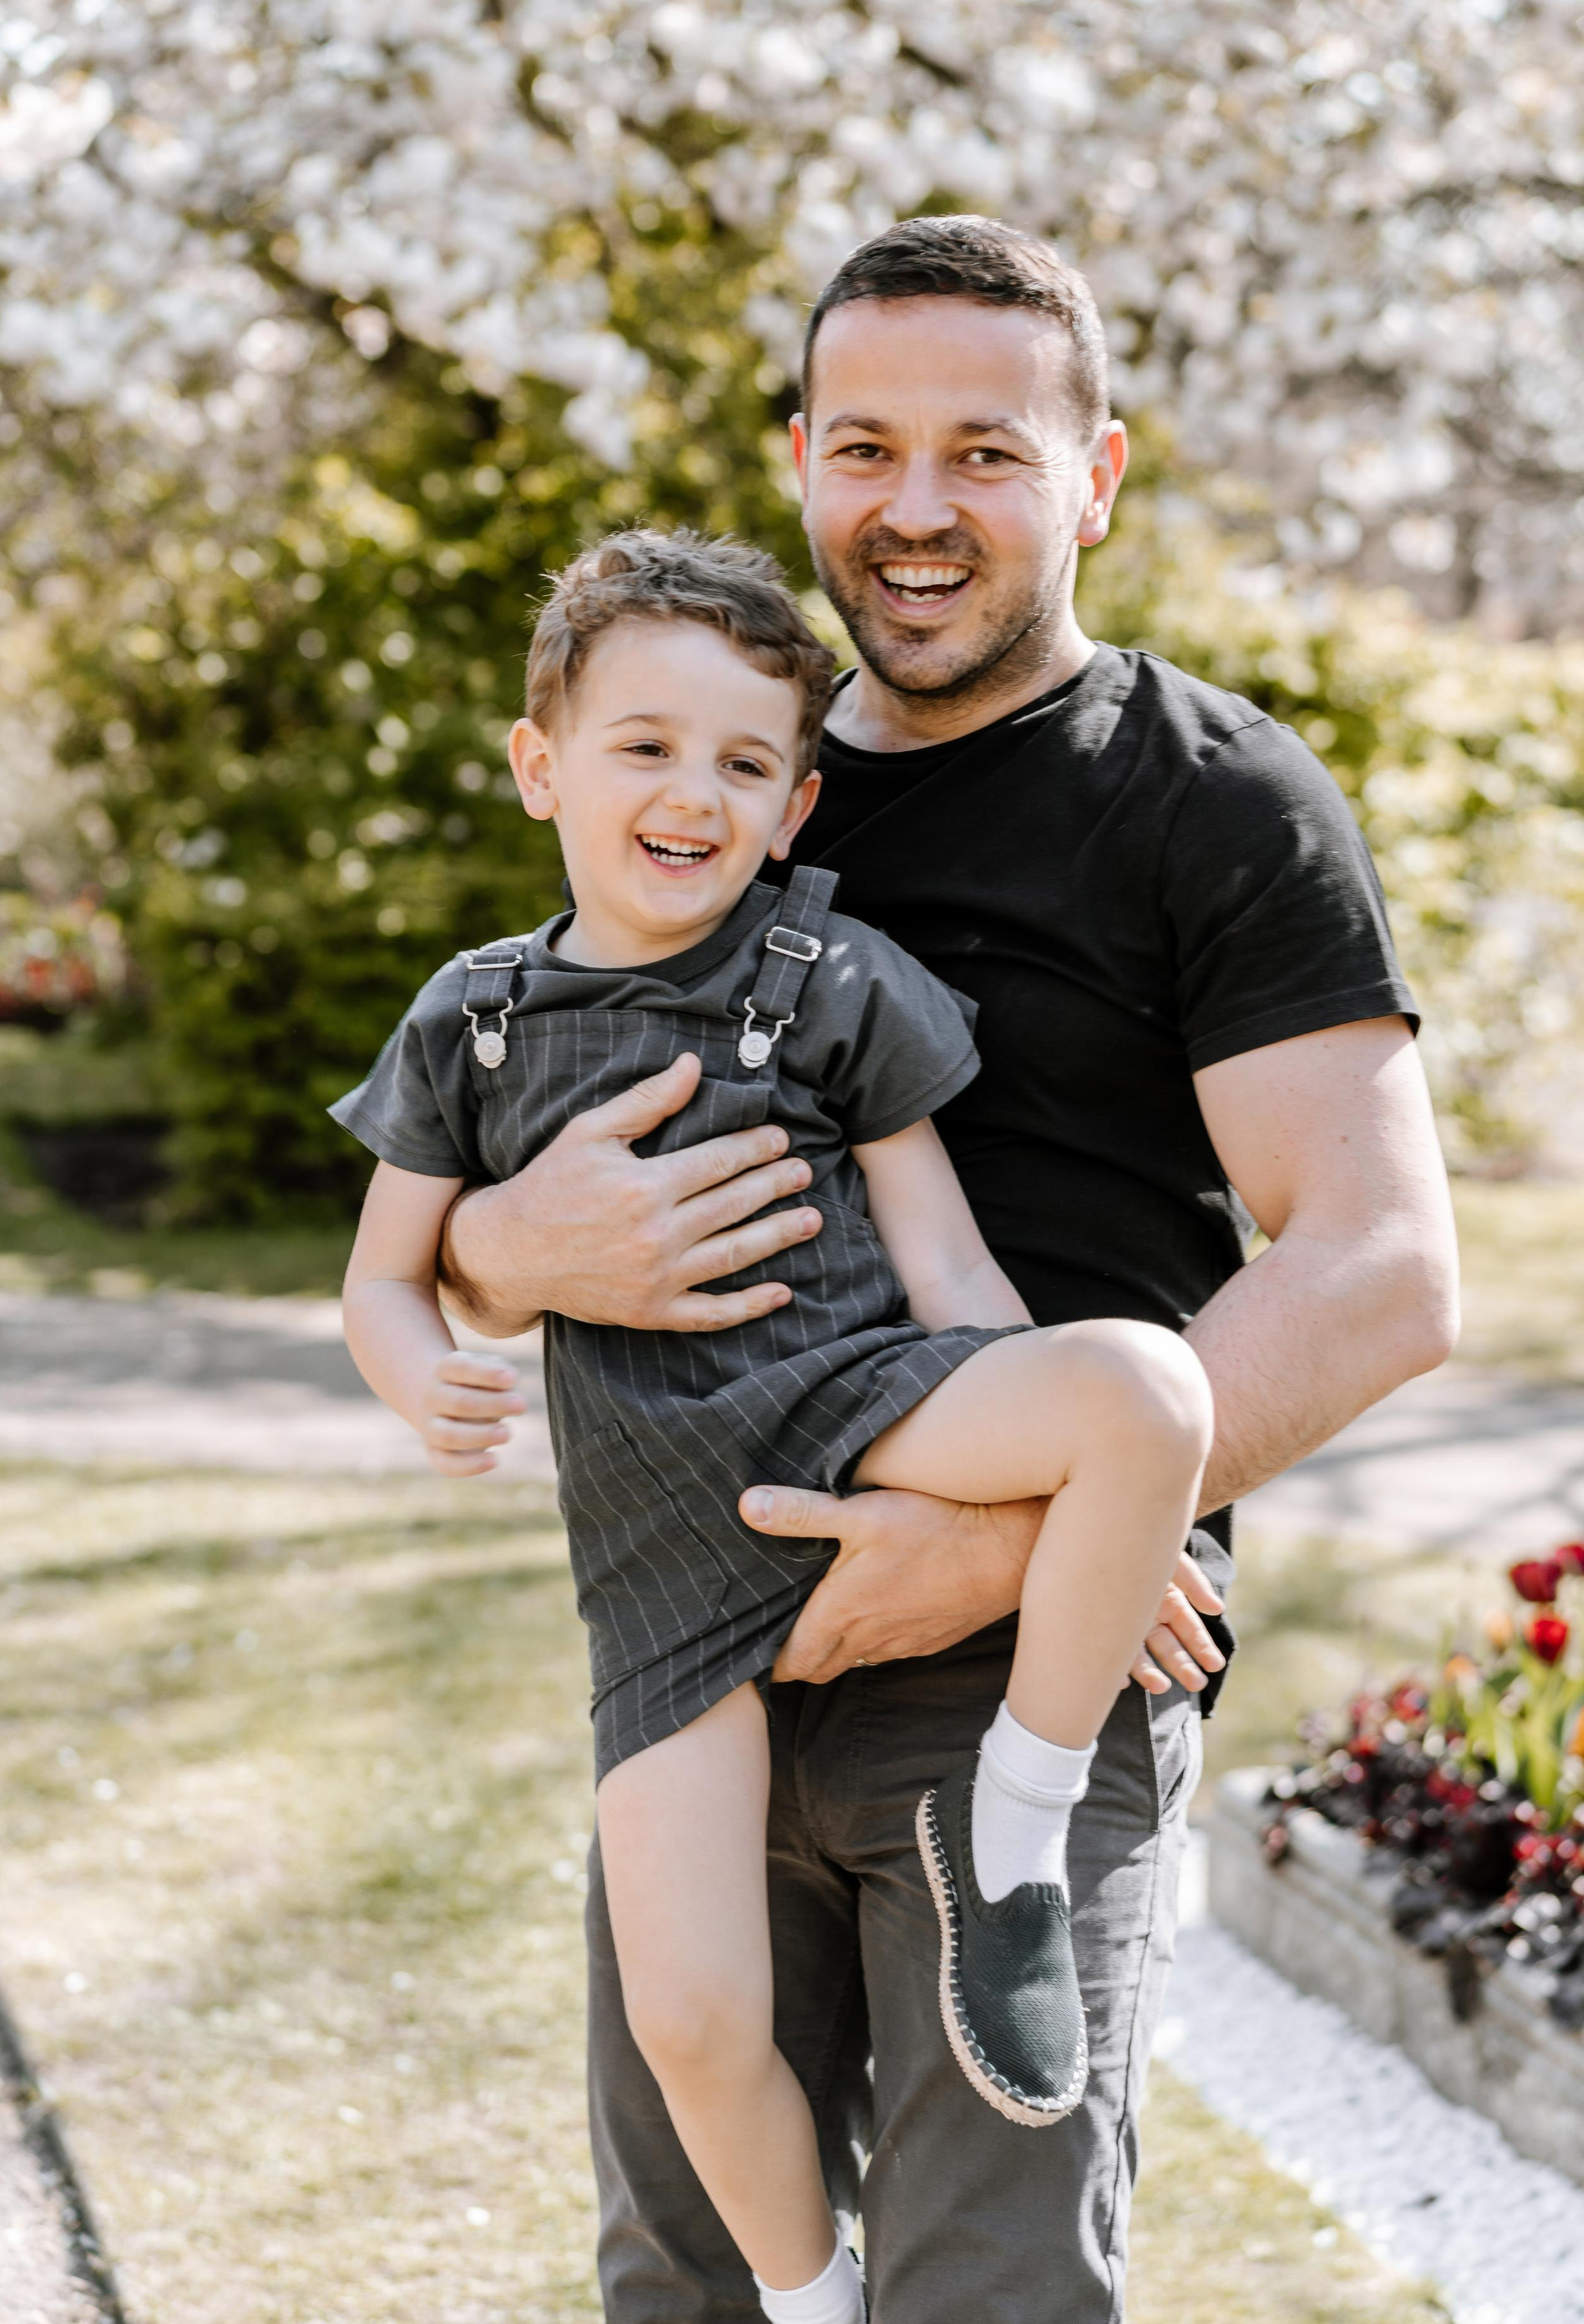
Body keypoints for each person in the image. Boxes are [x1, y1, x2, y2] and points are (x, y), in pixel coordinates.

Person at [430, 219, 1461, 2322]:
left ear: (1093, 478)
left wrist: (998, 1553)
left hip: (1022, 1696)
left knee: (988, 2291)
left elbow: (1377, 1269)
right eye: (867, 446)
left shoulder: (1213, 800)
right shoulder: (706, 764)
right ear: (801, 456)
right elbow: (481, 1127)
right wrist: (492, 1245)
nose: (914, 510)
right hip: (693, 1663)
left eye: (985, 453)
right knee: (696, 2272)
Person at [333, 529, 1216, 2324]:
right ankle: (809, 2298)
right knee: (690, 2020)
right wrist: (418, 1364)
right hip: (669, 1552)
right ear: (539, 766)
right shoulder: (477, 1026)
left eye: (743, 763)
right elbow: (386, 1274)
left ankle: (1025, 1832)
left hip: (865, 1410)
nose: (691, 793)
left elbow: (950, 1263)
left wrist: (1072, 1500)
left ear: (796, 802)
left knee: (1146, 1388)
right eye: (644, 746)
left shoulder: (833, 983)